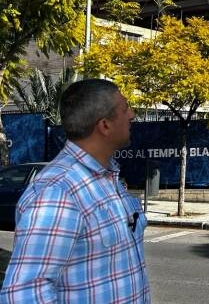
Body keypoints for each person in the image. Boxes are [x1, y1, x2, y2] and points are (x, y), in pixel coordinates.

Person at [0, 79, 150, 303]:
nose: (132, 114)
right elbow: (23, 294)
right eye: (125, 108)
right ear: (104, 125)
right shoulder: (58, 192)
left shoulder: (107, 178)